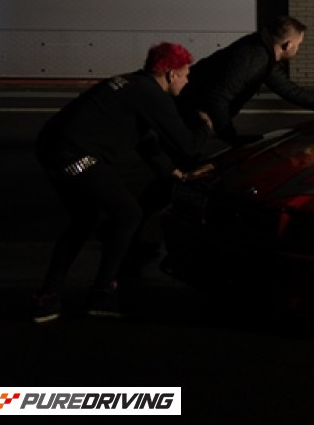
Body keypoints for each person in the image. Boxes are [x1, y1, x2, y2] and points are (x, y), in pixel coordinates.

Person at [32, 43, 214, 323]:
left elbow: (144, 141)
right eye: (185, 75)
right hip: (76, 157)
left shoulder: (134, 84)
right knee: (129, 214)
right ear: (170, 74)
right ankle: (101, 294)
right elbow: (188, 146)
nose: (187, 81)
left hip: (52, 148)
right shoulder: (153, 96)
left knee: (84, 220)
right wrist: (205, 127)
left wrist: (174, 173)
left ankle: (48, 297)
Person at [178, 16, 314, 145]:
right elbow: (218, 96)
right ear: (288, 45)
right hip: (187, 111)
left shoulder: (264, 55)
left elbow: (289, 90)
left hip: (192, 111)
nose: (298, 48)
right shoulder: (254, 57)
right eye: (299, 44)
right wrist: (230, 137)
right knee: (186, 157)